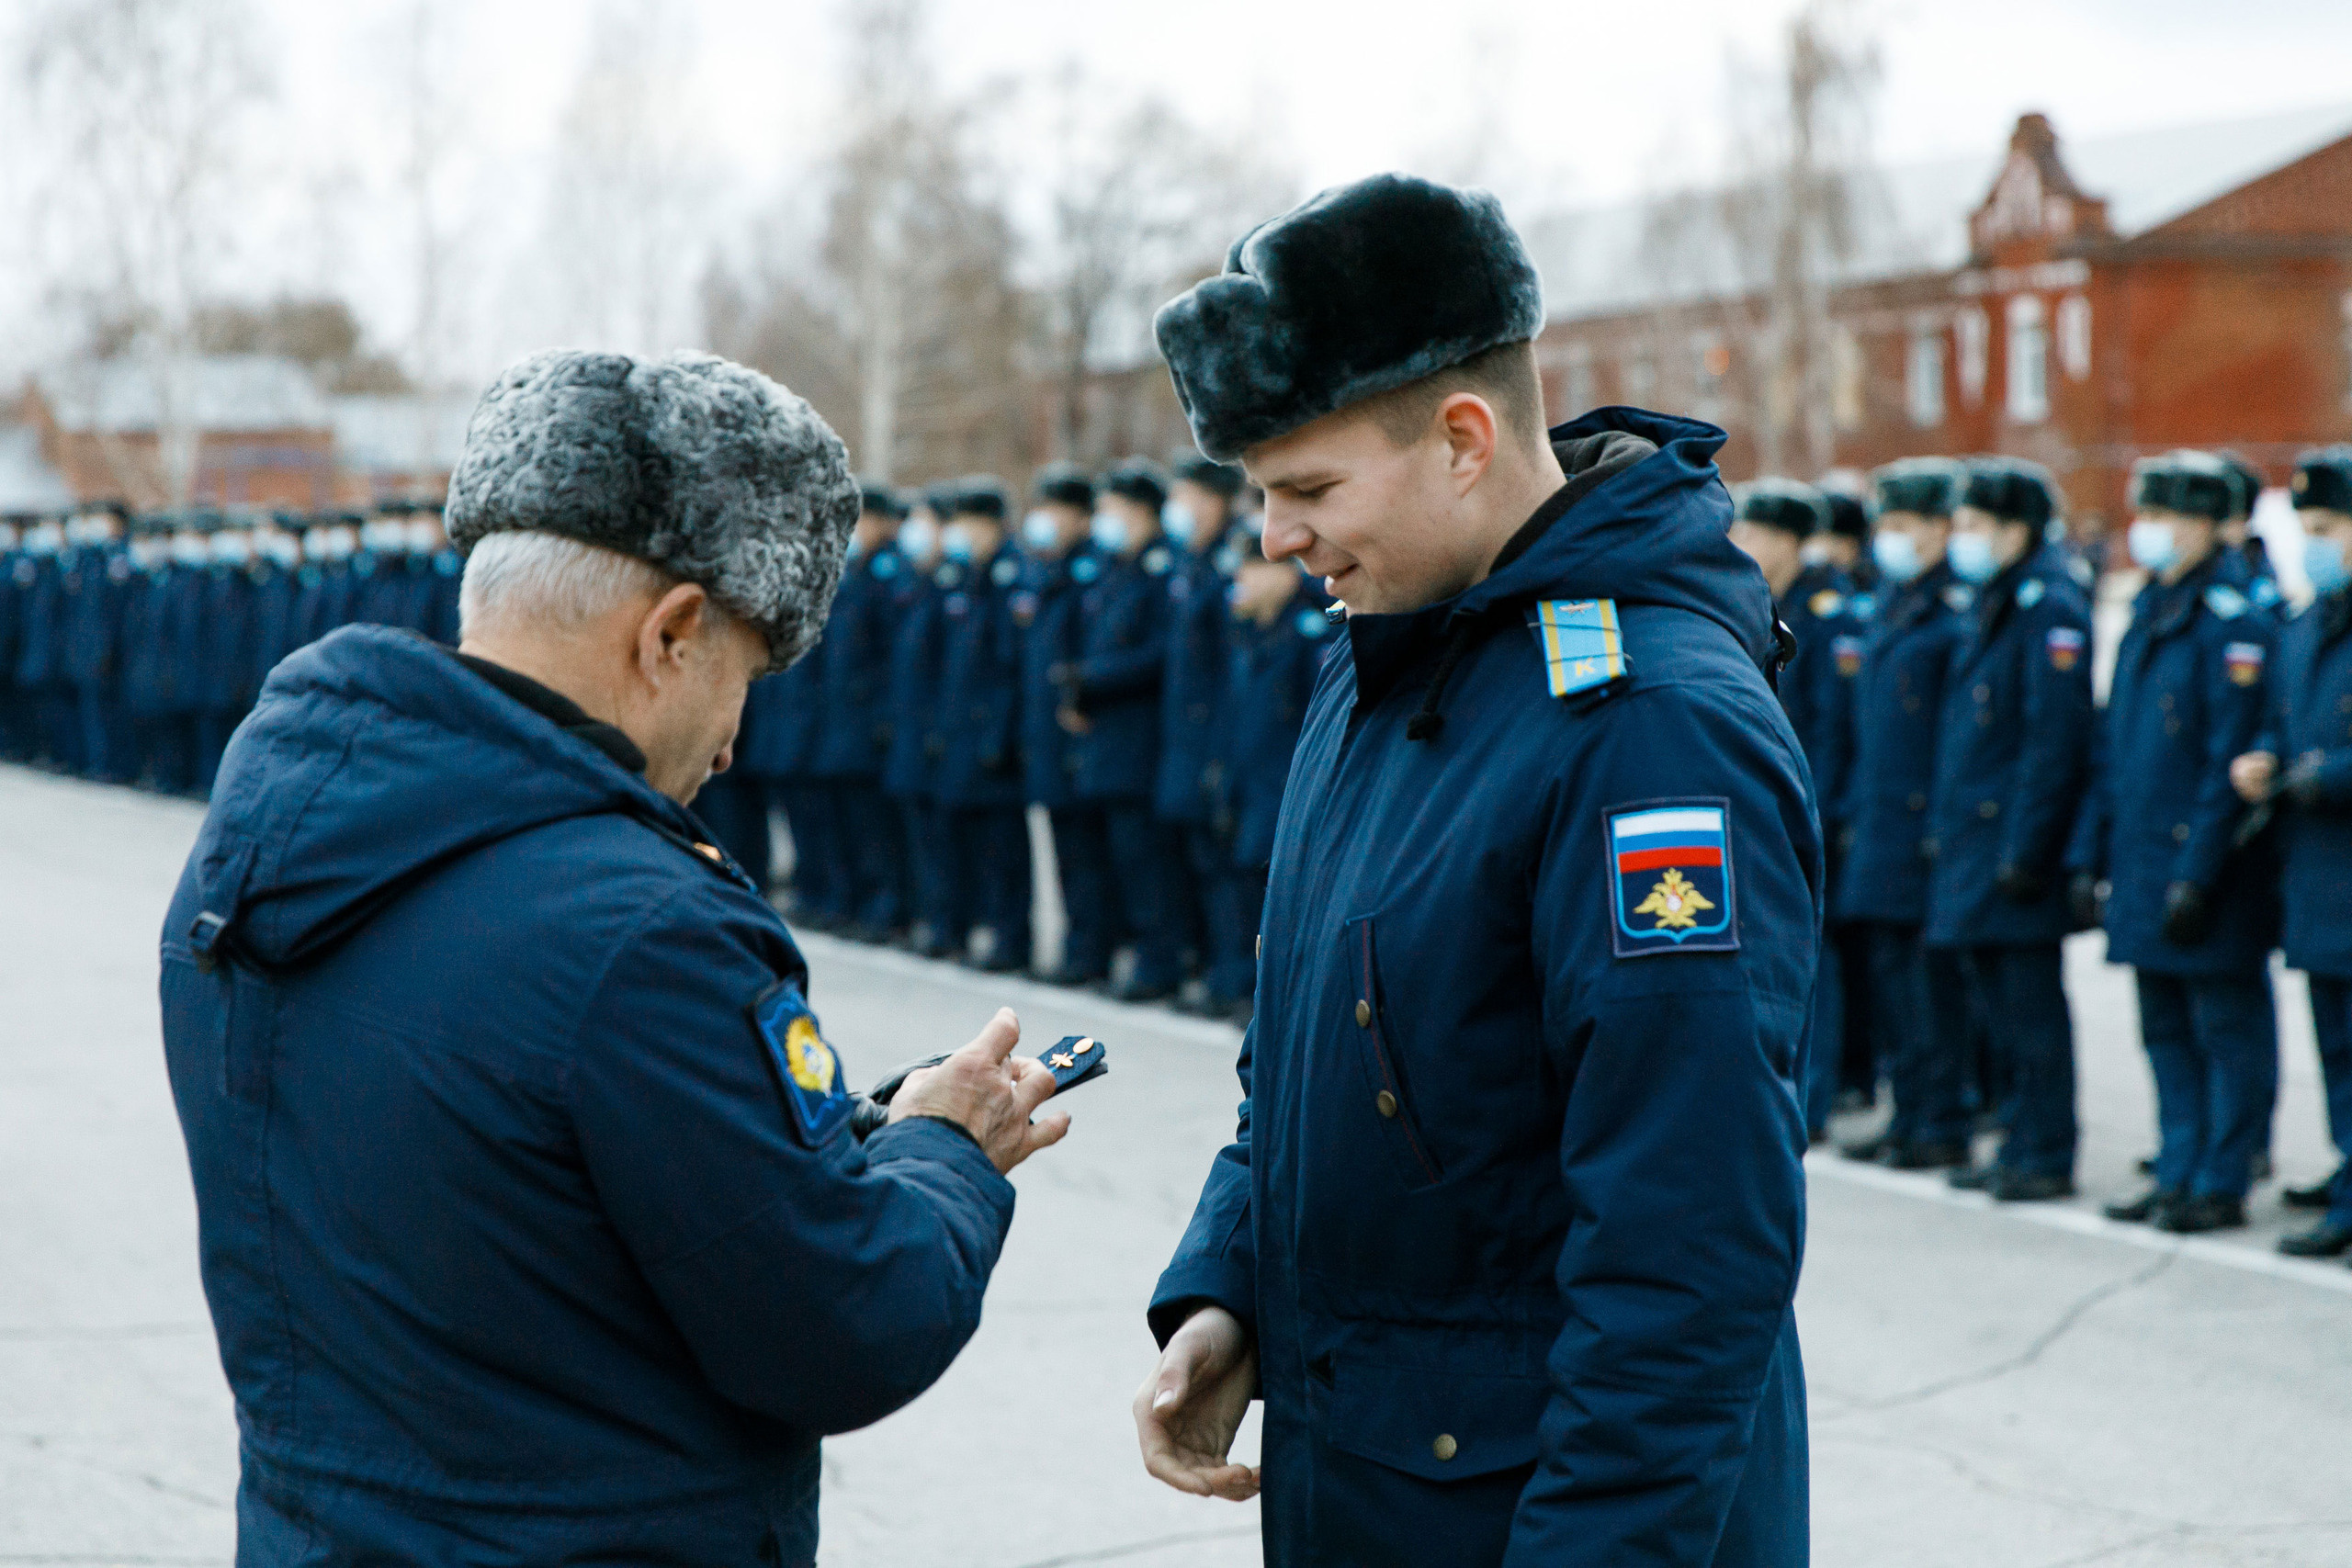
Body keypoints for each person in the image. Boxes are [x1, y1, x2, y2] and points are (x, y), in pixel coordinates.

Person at [160, 348, 1069, 1566]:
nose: (736, 741)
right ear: (673, 632)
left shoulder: (270, 845)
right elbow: (846, 1322)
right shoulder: (643, 929)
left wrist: (836, 1135)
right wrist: (949, 1148)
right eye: (744, 675)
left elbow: (526, 1187)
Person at [1136, 174, 1813, 1567]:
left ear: (1461, 438)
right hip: (1377, 1487)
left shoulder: (1644, 727)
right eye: (1261, 493)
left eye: (1309, 487)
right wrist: (1230, 1288)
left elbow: (1686, 1252)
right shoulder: (1381, 665)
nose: (1274, 537)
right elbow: (1311, 1050)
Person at [2071, 453, 2280, 1233]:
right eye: (2145, 514)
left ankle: (2219, 1178)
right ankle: (2179, 1164)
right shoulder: (2150, 614)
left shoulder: (2233, 622)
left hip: (2206, 870)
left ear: (2208, 523)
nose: (2149, 532)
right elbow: (2115, 751)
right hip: (2141, 860)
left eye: (2166, 516)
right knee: (2163, 1030)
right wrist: (2092, 857)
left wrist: (2197, 875)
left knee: (2221, 1029)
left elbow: (2228, 763)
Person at [1926, 457, 2094, 1202]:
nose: (1959, 539)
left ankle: (2046, 1149)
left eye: (1973, 525)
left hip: (2015, 847)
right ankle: (2021, 1141)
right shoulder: (1995, 599)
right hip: (1977, 843)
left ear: (2015, 529)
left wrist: (2028, 849)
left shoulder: (2048, 605)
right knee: (1997, 1005)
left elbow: (2051, 743)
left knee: (2031, 1011)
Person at [1836, 458, 1975, 1169]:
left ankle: (1939, 1118)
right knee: (1892, 981)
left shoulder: (1953, 611)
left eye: (1903, 525)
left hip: (1925, 826)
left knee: (1930, 989)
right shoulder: (1892, 601)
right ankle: (1908, 1111)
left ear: (1941, 528)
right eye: (1883, 525)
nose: (1888, 538)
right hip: (1882, 821)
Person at [2235, 446, 2352, 1258]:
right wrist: (2267, 760)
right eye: (2306, 529)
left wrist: (2326, 776)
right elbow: (2284, 715)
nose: (2314, 545)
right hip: (2316, 874)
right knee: (2337, 1045)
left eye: (2327, 528)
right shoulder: (2309, 619)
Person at [1730, 477, 1860, 1138]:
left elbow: (1834, 732)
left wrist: (1824, 816)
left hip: (1814, 811)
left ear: (1787, 540)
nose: (1741, 544)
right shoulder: (1762, 605)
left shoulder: (1826, 611)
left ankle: (1820, 1094)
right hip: (1776, 811)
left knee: (1820, 964)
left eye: (1752, 532)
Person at [1058, 458, 1187, 1000]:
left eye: (1113, 509)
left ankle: (1158, 963)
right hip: (1103, 741)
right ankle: (1108, 955)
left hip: (1139, 740)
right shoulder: (1112, 569)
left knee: (1145, 863)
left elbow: (1159, 655)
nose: (1104, 520)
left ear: (1140, 513)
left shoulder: (1161, 571)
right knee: (1107, 859)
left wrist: (1089, 678)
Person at [1210, 539, 1331, 1022]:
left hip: (1286, 791)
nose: (1238, 583)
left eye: (1249, 571)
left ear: (1283, 575)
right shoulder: (1250, 632)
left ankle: (1276, 999)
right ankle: (1244, 988)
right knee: (1242, 892)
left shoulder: (1307, 631)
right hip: (1250, 787)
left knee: (1280, 900)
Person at [1016, 463, 1122, 984]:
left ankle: (1092, 952)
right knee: (1065, 852)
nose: (1045, 521)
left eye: (1057, 511)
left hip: (1082, 734)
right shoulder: (1046, 573)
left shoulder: (1091, 573)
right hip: (1048, 737)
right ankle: (1077, 947)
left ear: (1081, 518)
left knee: (1088, 855)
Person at [1157, 452, 1250, 1015]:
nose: (1179, 510)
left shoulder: (1234, 563)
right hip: (1184, 744)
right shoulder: (1191, 564)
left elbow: (1232, 673)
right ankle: (1216, 973)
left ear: (1214, 500)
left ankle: (1235, 980)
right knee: (1200, 866)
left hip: (1220, 742)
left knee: (1227, 869)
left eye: (1187, 497)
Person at [933, 477, 1033, 972]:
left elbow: (1011, 670)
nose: (960, 533)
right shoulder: (964, 577)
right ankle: (977, 931)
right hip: (962, 739)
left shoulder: (1008, 579)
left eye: (969, 523)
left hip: (995, 744)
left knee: (1003, 852)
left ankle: (1011, 938)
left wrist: (999, 737)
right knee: (967, 844)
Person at [806, 482, 914, 939]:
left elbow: (894, 657)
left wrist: (884, 719)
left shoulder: (891, 576)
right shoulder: (849, 572)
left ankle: (885, 906)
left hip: (871, 723)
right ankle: (848, 899)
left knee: (877, 828)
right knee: (843, 819)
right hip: (839, 721)